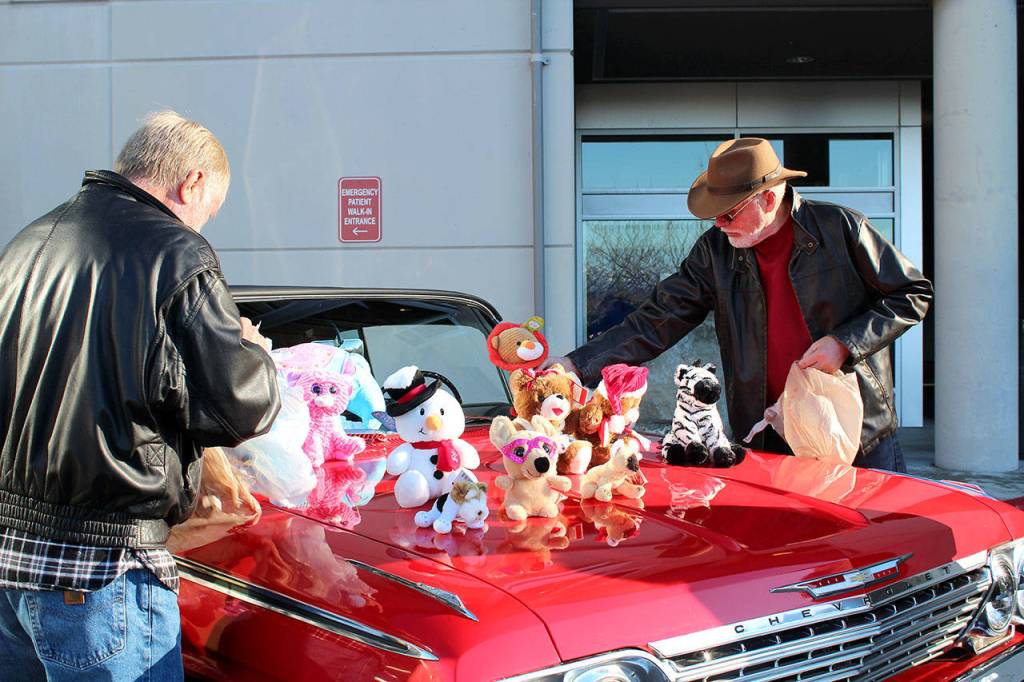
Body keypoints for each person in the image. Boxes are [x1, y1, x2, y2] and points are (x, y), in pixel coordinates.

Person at [0, 111, 281, 680]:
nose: (204, 225)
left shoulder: (26, 244)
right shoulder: (176, 252)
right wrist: (256, 353)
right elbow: (240, 405)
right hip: (104, 572)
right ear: (193, 182)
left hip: (11, 564)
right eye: (211, 209)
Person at [547, 137, 932, 472]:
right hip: (768, 433)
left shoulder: (841, 227)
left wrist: (846, 343)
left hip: (856, 431)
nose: (718, 223)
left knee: (876, 543)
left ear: (768, 198)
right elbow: (655, 321)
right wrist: (577, 366)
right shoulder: (714, 253)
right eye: (713, 213)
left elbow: (913, 293)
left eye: (728, 212)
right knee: (780, 549)